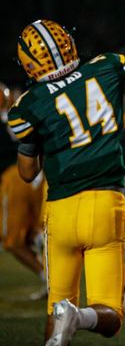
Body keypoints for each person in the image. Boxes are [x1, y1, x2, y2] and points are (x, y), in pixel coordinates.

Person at [8, 19, 125, 346]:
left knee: (55, 310)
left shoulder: (27, 106)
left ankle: (65, 319)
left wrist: (33, 141)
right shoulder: (106, 68)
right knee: (109, 316)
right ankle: (77, 317)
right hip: (105, 205)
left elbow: (27, 173)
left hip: (60, 212)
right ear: (68, 45)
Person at [0, 82, 47, 299]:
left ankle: (48, 279)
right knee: (35, 233)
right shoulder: (19, 116)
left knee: (13, 241)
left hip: (15, 177)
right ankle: (51, 278)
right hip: (37, 175)